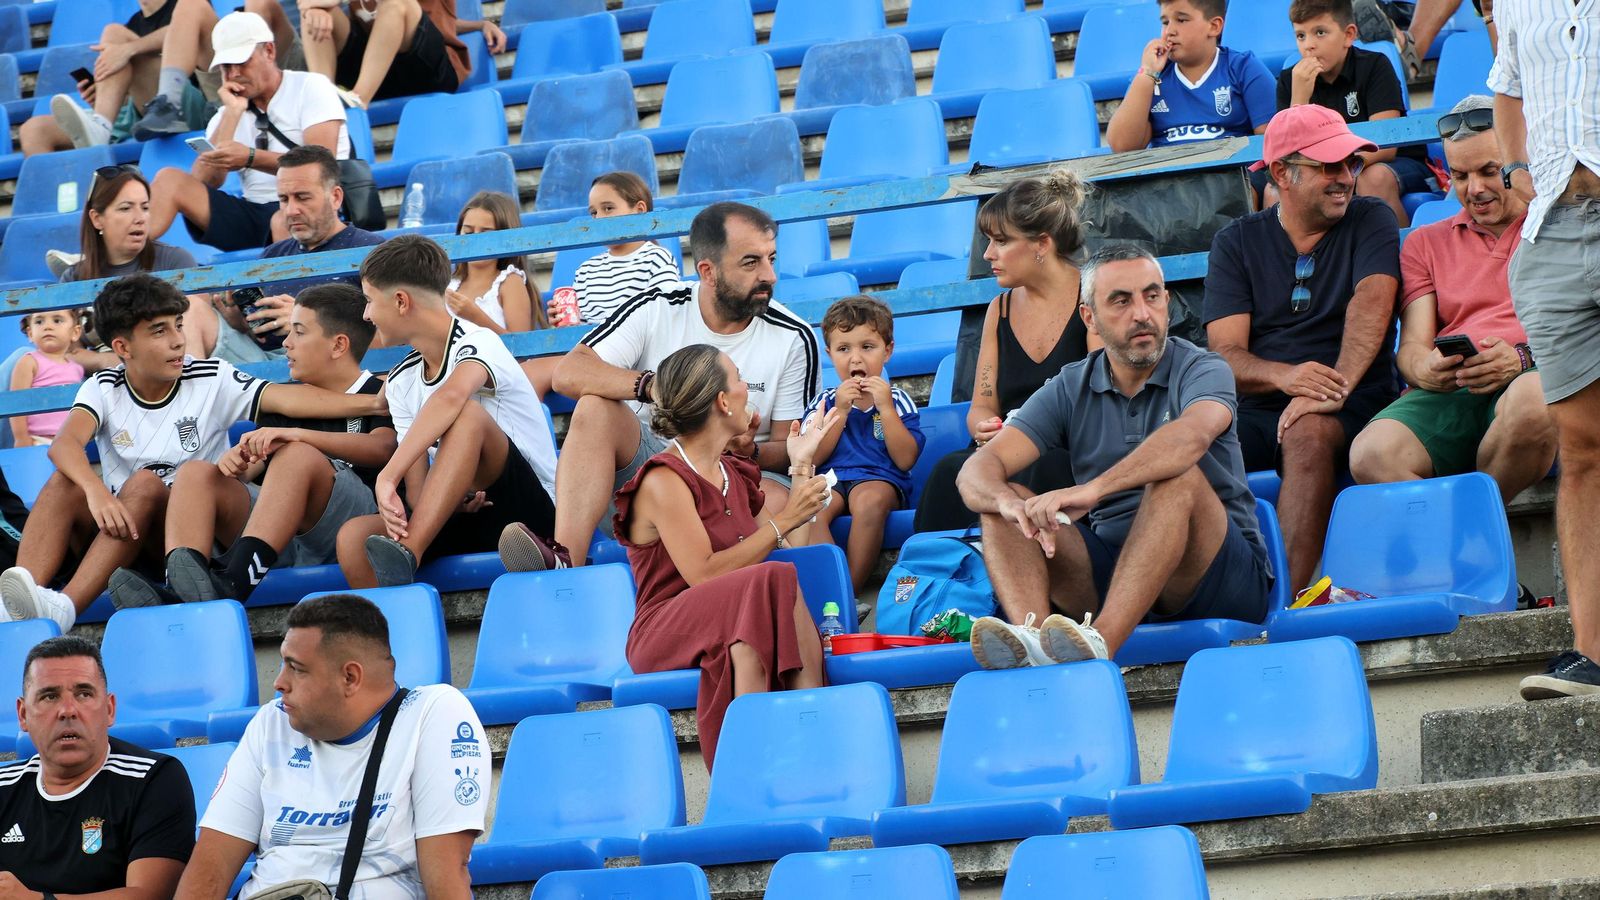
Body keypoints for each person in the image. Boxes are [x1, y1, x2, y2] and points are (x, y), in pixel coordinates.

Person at [0, 274, 386, 631]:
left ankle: (66, 607)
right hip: (128, 535)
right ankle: (17, 607)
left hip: (195, 535)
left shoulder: (210, 376)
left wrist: (371, 405)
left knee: (149, 484)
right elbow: (64, 445)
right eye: (159, 331)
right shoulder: (103, 386)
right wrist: (95, 491)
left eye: (179, 326)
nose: (177, 340)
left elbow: (285, 398)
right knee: (66, 483)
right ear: (122, 347)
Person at [957, 245, 1271, 668]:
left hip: (1215, 574)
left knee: (1178, 477)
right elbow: (976, 471)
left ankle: (1099, 647)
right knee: (1003, 502)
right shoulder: (1070, 385)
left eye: (1152, 295)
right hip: (1117, 571)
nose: (1142, 313)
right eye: (1121, 301)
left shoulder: (1203, 367)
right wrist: (1008, 505)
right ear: (1089, 318)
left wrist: (1095, 489)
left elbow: (1189, 439)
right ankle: (1032, 645)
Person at [525, 201, 821, 567]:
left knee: (775, 501)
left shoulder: (794, 337)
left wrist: (750, 452)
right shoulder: (657, 306)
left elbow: (792, 445)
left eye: (771, 259)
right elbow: (570, 372)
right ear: (708, 272)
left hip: (742, 481)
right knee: (594, 406)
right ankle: (566, 561)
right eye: (751, 262)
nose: (769, 276)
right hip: (653, 472)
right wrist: (652, 385)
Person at [1204, 104, 1400, 595]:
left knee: (1308, 433)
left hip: (1356, 399)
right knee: (1184, 441)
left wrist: (1330, 388)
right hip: (1261, 405)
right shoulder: (1236, 241)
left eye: (1350, 164)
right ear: (1280, 174)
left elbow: (1372, 304)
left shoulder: (1370, 216)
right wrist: (1284, 377)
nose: (1345, 178)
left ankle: (1282, 602)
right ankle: (1187, 598)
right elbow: (1224, 352)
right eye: (1328, 166)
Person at [173, 594, 486, 899]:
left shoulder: (431, 713)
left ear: (349, 677)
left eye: (296, 668)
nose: (278, 682)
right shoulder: (272, 720)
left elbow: (446, 873)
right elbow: (209, 870)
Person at [616, 344, 838, 769]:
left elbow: (794, 553)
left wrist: (802, 464)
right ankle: (809, 725)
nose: (744, 390)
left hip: (736, 614)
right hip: (664, 628)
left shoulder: (732, 472)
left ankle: (784, 754)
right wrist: (782, 520)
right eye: (738, 378)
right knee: (765, 580)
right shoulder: (664, 479)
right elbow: (703, 574)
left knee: (756, 617)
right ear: (721, 400)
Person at [107, 282, 395, 608]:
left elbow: (383, 447)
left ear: (339, 345)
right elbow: (252, 468)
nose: (286, 343)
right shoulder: (289, 403)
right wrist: (236, 463)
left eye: (298, 332)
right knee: (196, 473)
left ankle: (234, 584)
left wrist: (300, 437)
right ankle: (183, 586)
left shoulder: (378, 391)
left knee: (297, 454)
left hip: (345, 529)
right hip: (277, 540)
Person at [1349, 97, 1555, 501]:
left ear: (1519, 158)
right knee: (1370, 454)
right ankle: (1467, 524)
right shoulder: (1425, 242)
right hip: (1455, 388)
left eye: (1489, 171)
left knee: (1535, 399)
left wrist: (1522, 358)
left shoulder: (1558, 222)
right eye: (1460, 176)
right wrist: (1424, 369)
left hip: (1535, 374)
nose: (1474, 189)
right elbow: (1411, 348)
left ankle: (1467, 526)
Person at [338, 236, 563, 588]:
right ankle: (396, 634)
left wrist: (386, 477)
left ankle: (408, 552)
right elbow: (417, 491)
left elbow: (452, 396)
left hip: (530, 515)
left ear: (400, 301)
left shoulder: (480, 341)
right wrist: (447, 501)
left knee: (467, 416)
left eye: (369, 301)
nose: (366, 314)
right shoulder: (400, 382)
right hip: (458, 515)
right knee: (354, 537)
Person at [1488, 2, 1600, 700]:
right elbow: (1507, 81)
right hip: (1555, 227)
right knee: (1583, 451)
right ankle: (1593, 652)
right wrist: (1516, 164)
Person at [913, 171, 1099, 534]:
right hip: (1006, 448)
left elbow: (1099, 398)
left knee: (1042, 469)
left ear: (1041, 244)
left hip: (1067, 449)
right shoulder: (998, 308)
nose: (987, 254)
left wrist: (1031, 433)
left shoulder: (1094, 295)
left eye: (1000, 241)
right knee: (949, 471)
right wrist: (983, 427)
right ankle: (940, 582)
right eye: (988, 241)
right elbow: (982, 404)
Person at [1, 635, 195, 898]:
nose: (67, 710)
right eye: (49, 696)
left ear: (110, 709)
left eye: (83, 693)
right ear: (23, 715)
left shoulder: (154, 778)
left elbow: (151, 895)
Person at [146, 11, 351, 253]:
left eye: (242, 62)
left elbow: (321, 161)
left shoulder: (310, 86)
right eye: (226, 67)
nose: (233, 74)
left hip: (313, 203)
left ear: (270, 51)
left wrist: (250, 157)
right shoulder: (226, 113)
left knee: (282, 218)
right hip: (254, 210)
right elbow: (204, 180)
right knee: (169, 179)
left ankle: (290, 288)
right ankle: (123, 258)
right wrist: (232, 114)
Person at [214, 144, 385, 365]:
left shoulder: (372, 251)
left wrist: (305, 323)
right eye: (284, 199)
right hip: (270, 370)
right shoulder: (273, 255)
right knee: (196, 310)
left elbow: (394, 335)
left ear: (335, 197)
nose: (291, 210)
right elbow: (264, 337)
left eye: (302, 197)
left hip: (334, 373)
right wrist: (241, 325)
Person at [804, 296, 925, 592]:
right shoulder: (825, 401)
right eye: (844, 349)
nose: (855, 359)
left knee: (868, 501)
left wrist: (885, 409)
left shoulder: (897, 400)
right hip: (832, 479)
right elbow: (813, 457)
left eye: (867, 347)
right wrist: (841, 412)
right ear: (830, 353)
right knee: (812, 509)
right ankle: (834, 587)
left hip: (880, 478)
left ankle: (851, 590)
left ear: (888, 351)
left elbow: (906, 459)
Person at [1274, 0, 1433, 225]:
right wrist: (1299, 99)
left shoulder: (1375, 65)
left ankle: (1399, 253)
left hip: (1395, 163)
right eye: (1301, 36)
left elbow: (1385, 146)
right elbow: (1288, 153)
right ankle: (1302, 258)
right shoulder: (1290, 81)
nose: (1308, 45)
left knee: (1373, 179)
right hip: (1325, 168)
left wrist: (1335, 168)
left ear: (1349, 35)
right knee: (1280, 189)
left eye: (1320, 33)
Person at [57, 165, 221, 365]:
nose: (140, 218)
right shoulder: (73, 277)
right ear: (97, 219)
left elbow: (193, 332)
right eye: (126, 208)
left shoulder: (176, 261)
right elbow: (65, 350)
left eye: (145, 208)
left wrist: (102, 360)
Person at [19, 0, 213, 155]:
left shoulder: (189, 7)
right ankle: (100, 127)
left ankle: (101, 127)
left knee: (113, 33)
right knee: (35, 130)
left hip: (187, 108)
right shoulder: (132, 25)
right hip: (143, 116)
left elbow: (180, 31)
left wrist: (128, 49)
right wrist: (102, 97)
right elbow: (134, 99)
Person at [1105, 0, 1276, 152]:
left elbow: (1270, 146)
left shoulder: (1243, 67)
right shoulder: (1151, 77)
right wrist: (1147, 73)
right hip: (1166, 181)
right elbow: (1122, 146)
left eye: (1181, 20)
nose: (1169, 31)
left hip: (1231, 179)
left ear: (1214, 26)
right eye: (1165, 22)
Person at [299, 0, 506, 109]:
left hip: (427, 73)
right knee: (316, 11)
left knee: (396, 2)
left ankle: (358, 99)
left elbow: (416, 15)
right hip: (377, 72)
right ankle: (323, 99)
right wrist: (316, 8)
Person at [566, 172, 681, 325]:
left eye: (608, 208)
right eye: (593, 213)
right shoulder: (585, 271)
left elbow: (669, 317)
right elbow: (580, 332)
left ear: (640, 210)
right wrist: (567, 324)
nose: (598, 218)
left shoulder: (656, 259)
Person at [445, 191, 543, 335]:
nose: (475, 240)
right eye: (468, 232)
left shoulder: (509, 282)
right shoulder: (448, 286)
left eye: (486, 233)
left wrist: (475, 317)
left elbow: (521, 350)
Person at [8, 311, 86, 446]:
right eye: (39, 322)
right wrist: (21, 438)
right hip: (38, 440)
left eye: (57, 321)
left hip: (70, 442)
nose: (47, 326)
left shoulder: (77, 369)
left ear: (75, 332)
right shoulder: (28, 362)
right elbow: (16, 403)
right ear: (30, 333)